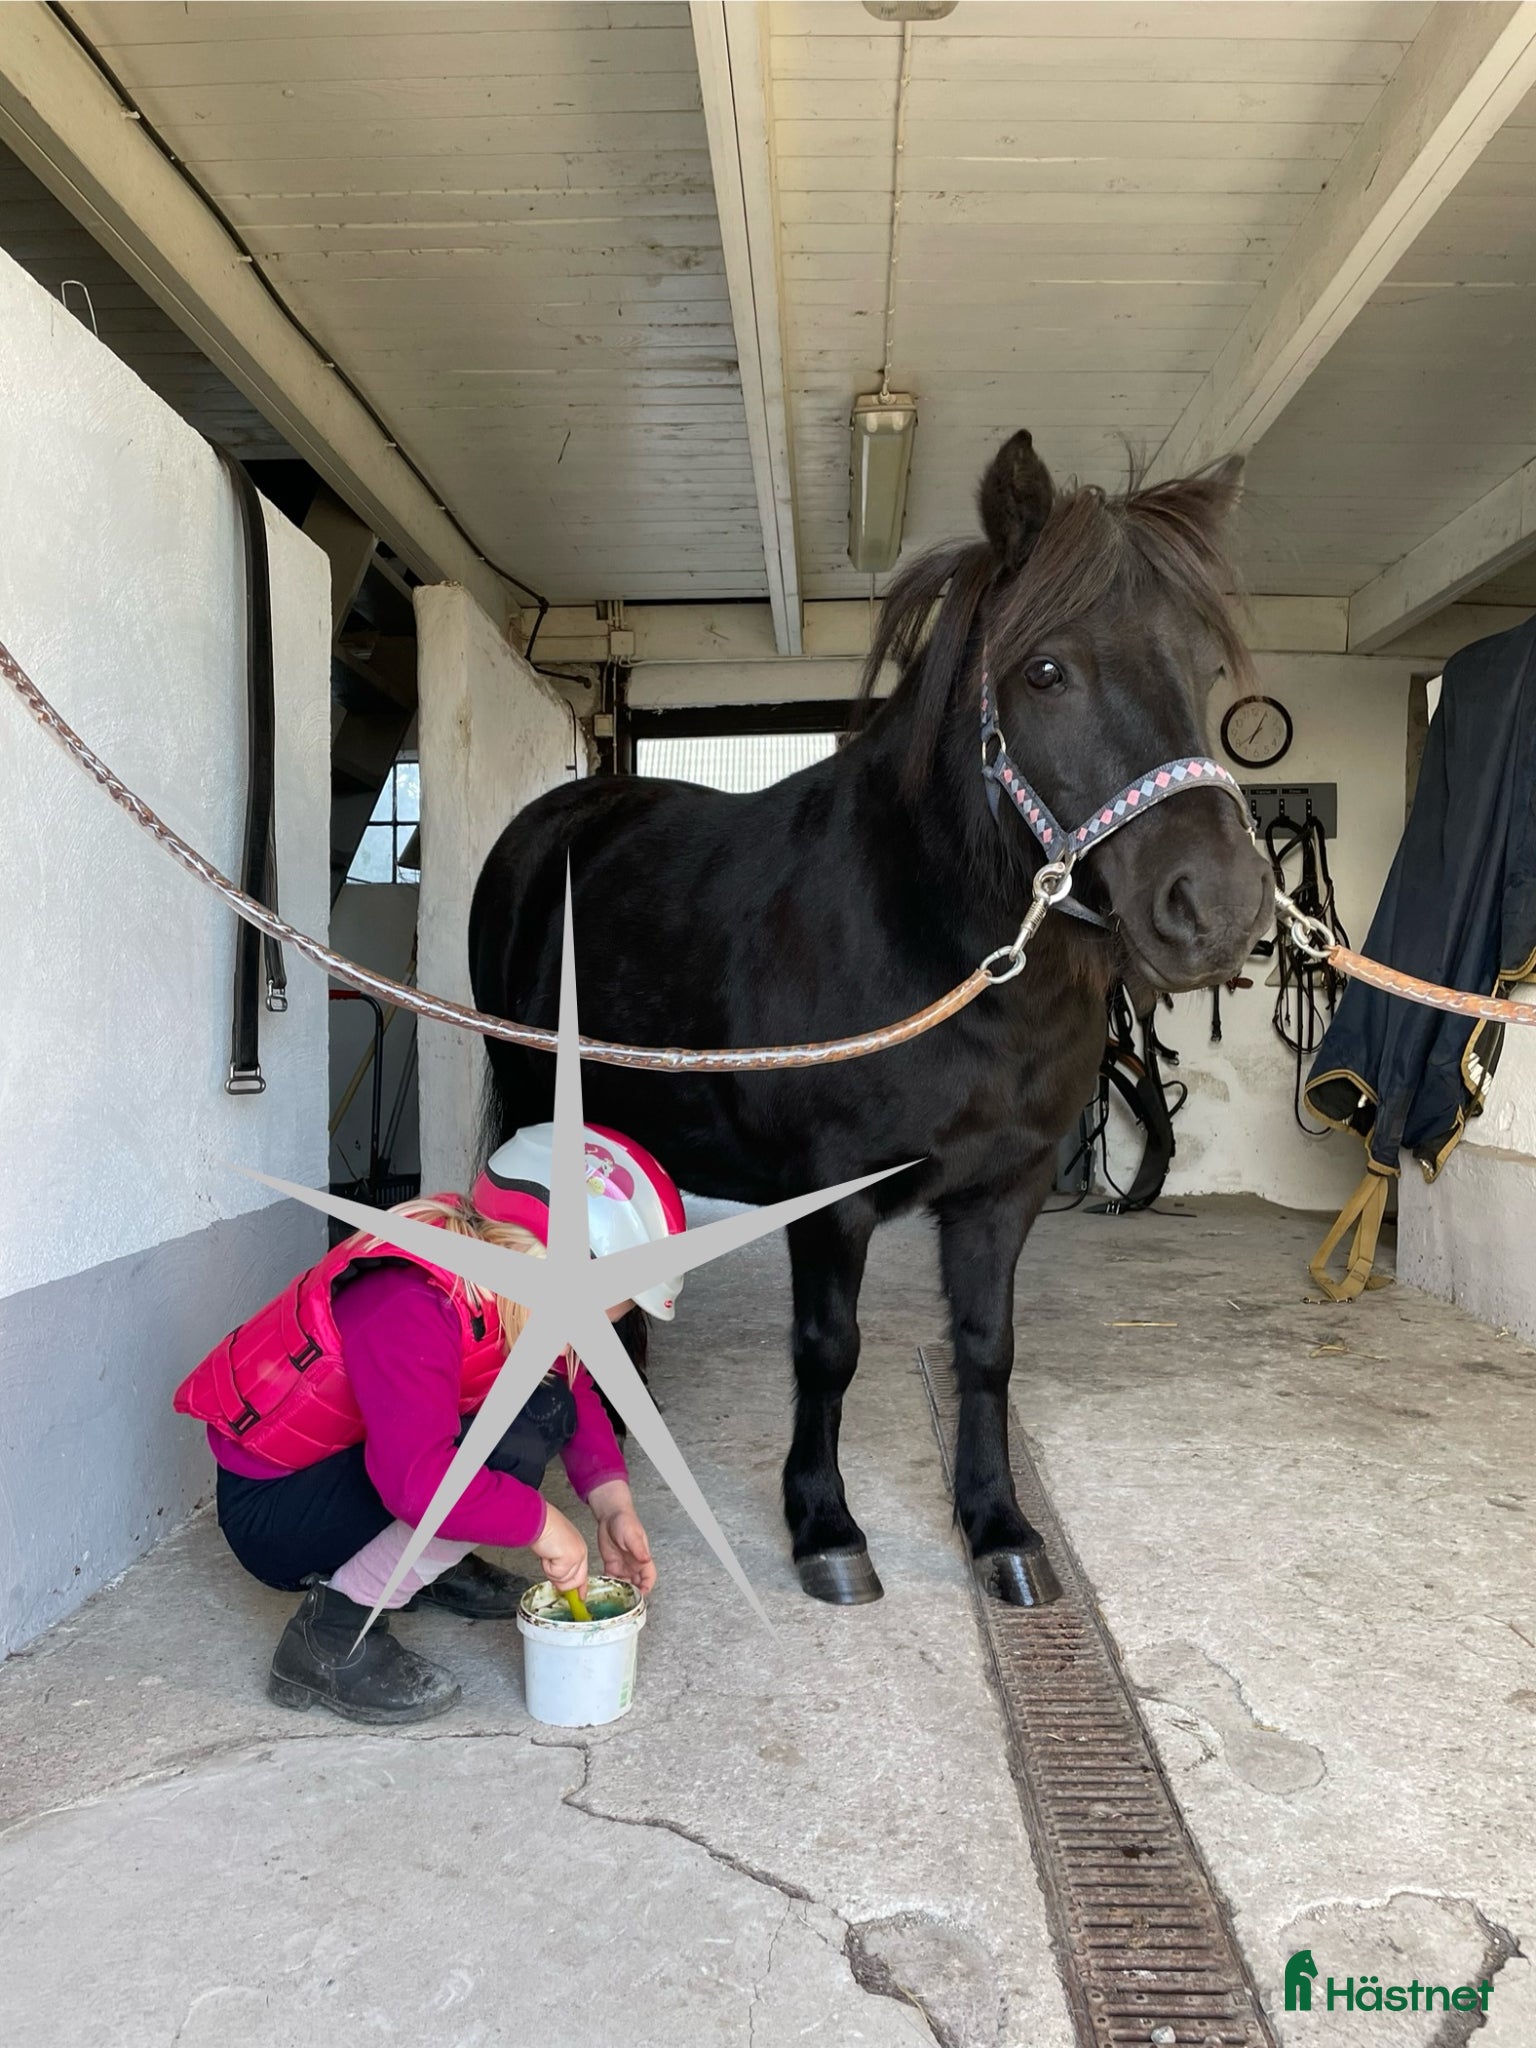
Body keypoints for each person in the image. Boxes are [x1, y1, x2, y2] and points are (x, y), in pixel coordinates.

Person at [173, 1123, 686, 1725]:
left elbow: (568, 1382)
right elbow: (417, 1482)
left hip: (343, 1462)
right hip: (274, 1512)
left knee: (543, 1409)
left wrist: (611, 1507)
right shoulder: (409, 1302)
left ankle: (428, 1561)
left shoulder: (499, 1272)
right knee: (504, 1454)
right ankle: (330, 1636)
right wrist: (542, 1523)